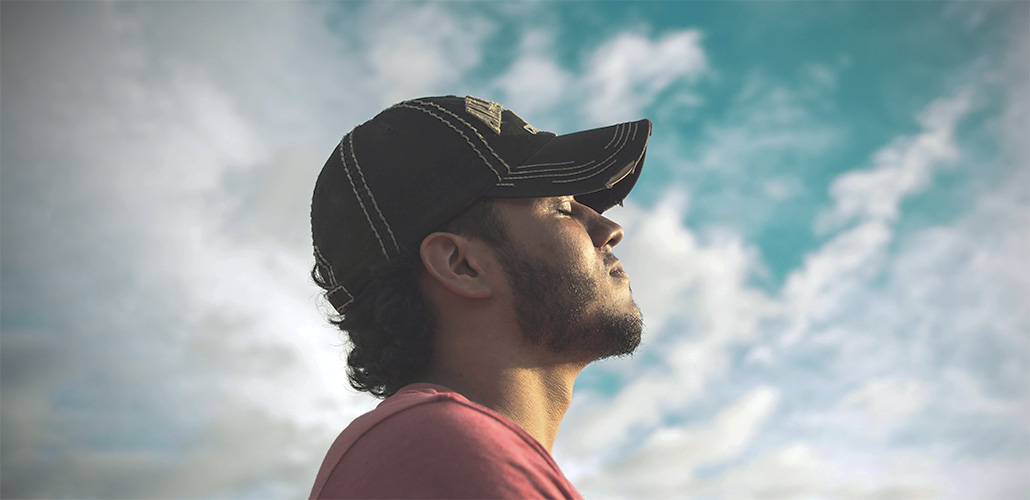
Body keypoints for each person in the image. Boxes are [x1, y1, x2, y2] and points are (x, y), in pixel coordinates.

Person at [308, 95, 651, 499]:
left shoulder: (429, 451)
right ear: (461, 265)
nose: (609, 228)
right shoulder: (440, 448)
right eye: (561, 207)